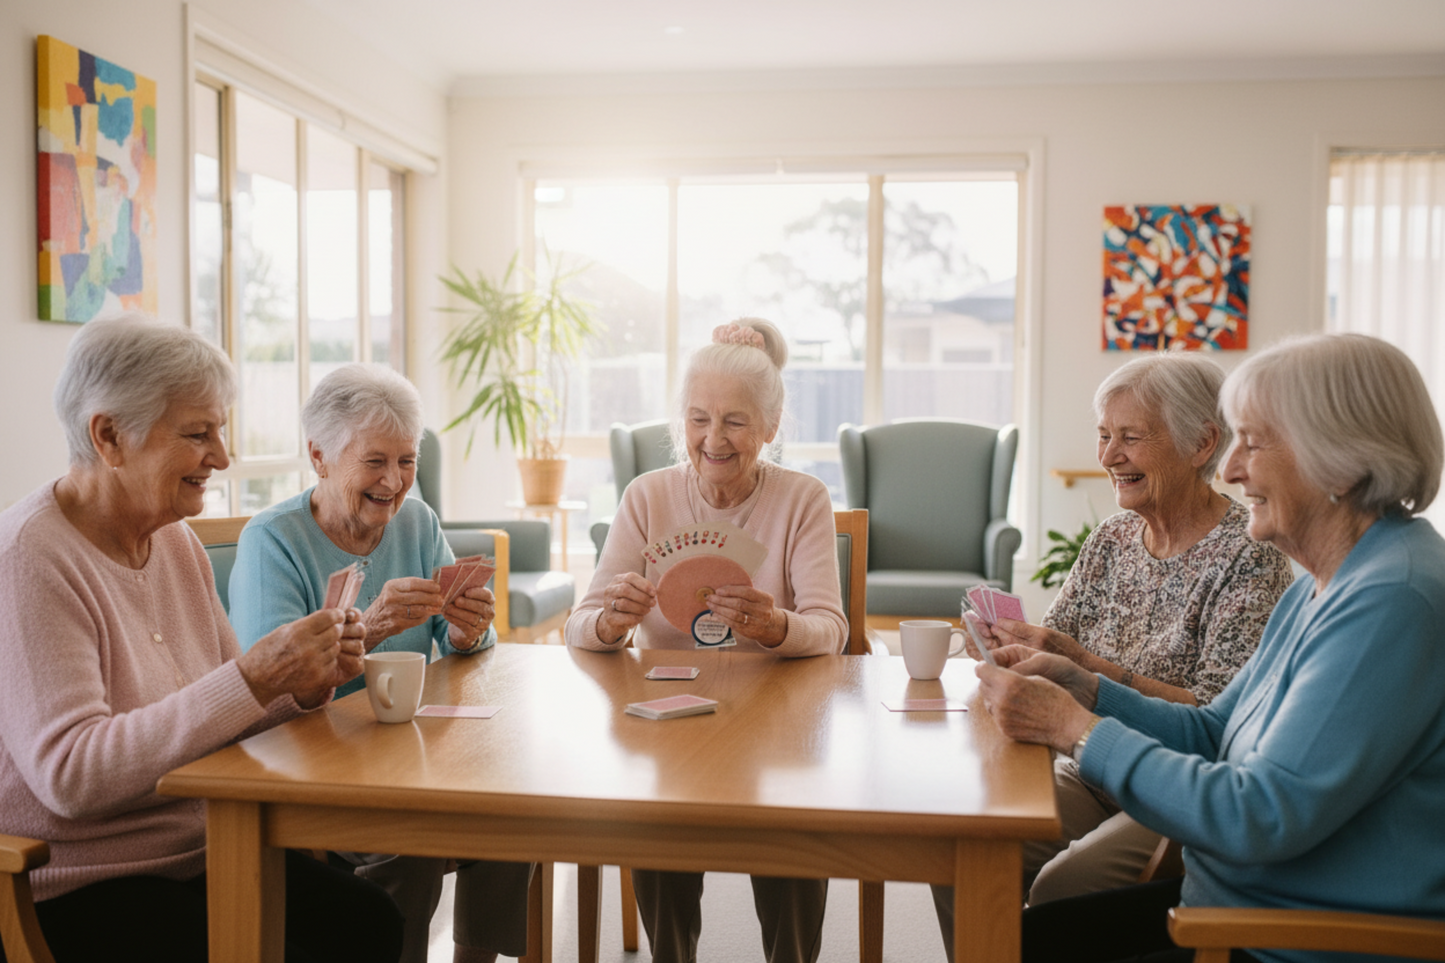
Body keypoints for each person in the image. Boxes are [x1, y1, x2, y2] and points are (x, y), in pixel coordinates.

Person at [976, 333, 1445, 963]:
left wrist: (1079, 730)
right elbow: (1215, 729)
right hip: (1227, 909)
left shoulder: (1393, 600)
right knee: (1005, 924)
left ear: (1342, 460)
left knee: (1025, 942)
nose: (1229, 468)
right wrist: (1084, 685)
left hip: (1278, 942)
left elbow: (1256, 814)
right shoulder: (1333, 580)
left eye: (1252, 441)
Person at [0, 314, 402, 963]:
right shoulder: (28, 558)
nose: (222, 455)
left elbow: (226, 718)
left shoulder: (174, 541)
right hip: (77, 881)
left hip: (202, 848)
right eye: (198, 433)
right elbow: (71, 776)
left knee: (369, 920)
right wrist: (254, 675)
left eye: (220, 429)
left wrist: (301, 681)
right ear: (109, 436)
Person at [936, 354, 1293, 949]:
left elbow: (1214, 721)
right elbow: (1054, 650)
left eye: (1130, 438)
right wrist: (1013, 647)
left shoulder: (1247, 556)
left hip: (1172, 786)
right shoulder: (1112, 538)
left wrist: (1085, 666)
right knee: (958, 846)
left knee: (1058, 888)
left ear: (1203, 442)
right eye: (1104, 436)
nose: (1107, 457)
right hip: (1084, 765)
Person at [228, 363, 532, 963]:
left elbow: (457, 636)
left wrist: (471, 628)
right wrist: (373, 626)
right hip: (315, 764)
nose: (395, 481)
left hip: (409, 752)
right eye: (375, 462)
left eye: (407, 460)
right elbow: (274, 692)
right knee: (409, 843)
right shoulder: (273, 540)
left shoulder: (416, 521)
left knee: (512, 812)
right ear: (319, 456)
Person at [566, 318, 847, 963]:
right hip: (670, 716)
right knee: (660, 810)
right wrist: (612, 620)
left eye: (735, 423)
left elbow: (830, 629)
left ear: (770, 428)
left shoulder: (803, 498)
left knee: (792, 817)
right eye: (698, 419)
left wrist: (774, 626)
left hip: (778, 710)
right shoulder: (646, 496)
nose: (712, 440)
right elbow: (578, 626)